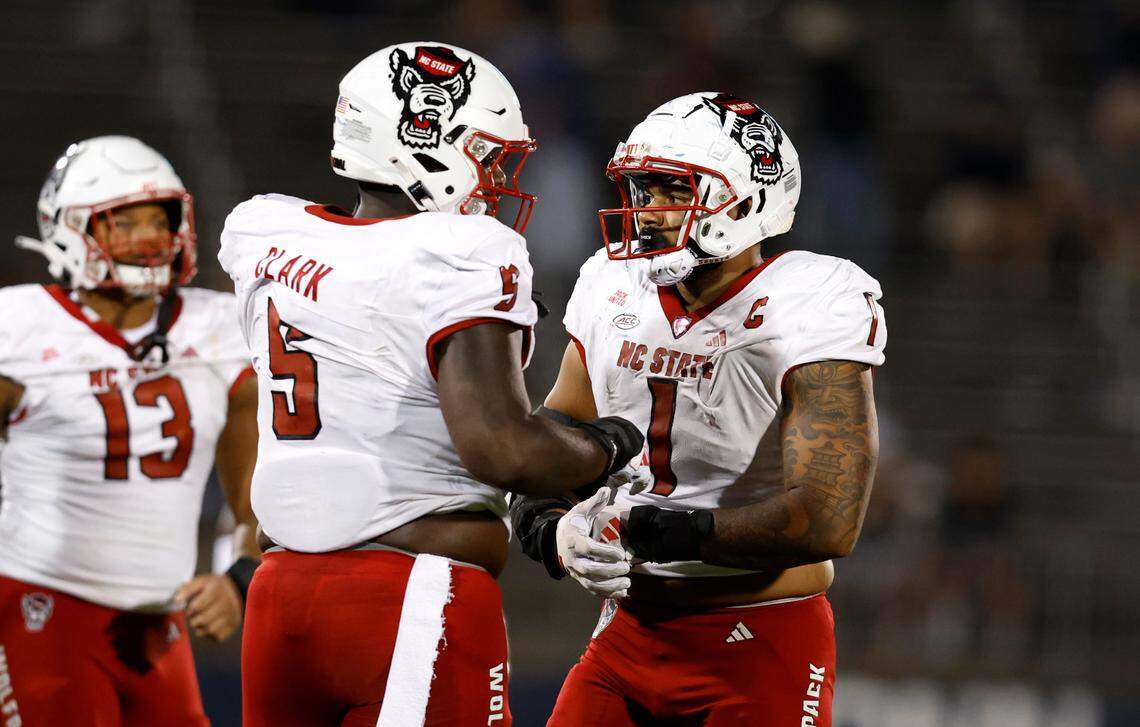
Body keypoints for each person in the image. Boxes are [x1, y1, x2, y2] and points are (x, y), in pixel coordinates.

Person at [219, 42, 643, 727]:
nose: (496, 179)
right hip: (409, 593)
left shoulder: (264, 230)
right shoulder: (458, 252)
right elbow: (501, 449)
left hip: (280, 596)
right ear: (423, 140)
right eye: (486, 154)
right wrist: (605, 445)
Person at [510, 92, 887, 726]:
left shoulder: (812, 299)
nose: (644, 210)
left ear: (744, 198)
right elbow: (557, 437)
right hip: (630, 630)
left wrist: (670, 531)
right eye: (640, 190)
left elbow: (829, 516)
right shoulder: (611, 280)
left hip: (762, 639)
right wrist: (550, 529)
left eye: (668, 190)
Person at [0, 135, 260, 725]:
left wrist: (238, 580)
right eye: (124, 222)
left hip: (158, 625)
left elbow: (260, 499)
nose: (148, 239)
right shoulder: (17, 327)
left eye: (159, 219)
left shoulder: (218, 328)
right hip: (37, 608)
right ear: (69, 229)